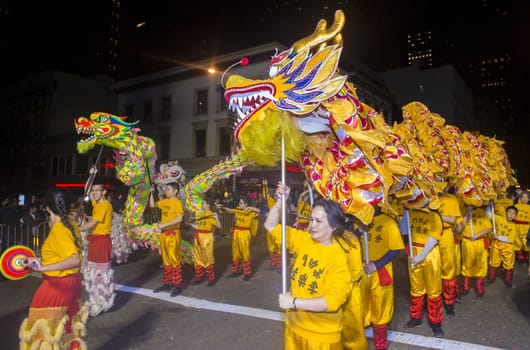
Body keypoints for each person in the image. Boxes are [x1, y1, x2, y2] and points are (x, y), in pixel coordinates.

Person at [264, 184, 352, 349]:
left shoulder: (337, 257)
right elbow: (270, 226)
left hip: (321, 337)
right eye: (311, 219)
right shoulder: (305, 240)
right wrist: (280, 202)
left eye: (319, 221)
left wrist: (294, 302)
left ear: (334, 227)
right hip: (294, 328)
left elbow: (332, 301)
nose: (312, 226)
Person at [19, 189, 87, 349]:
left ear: (47, 208)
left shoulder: (59, 229)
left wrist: (44, 267)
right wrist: (33, 261)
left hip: (57, 285)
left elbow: (74, 259)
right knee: (66, 328)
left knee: (42, 330)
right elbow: (60, 256)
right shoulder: (70, 224)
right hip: (72, 282)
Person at [360, 207, 404, 350]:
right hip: (360, 270)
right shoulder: (357, 221)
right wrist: (358, 229)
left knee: (380, 307)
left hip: (380, 270)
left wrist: (376, 265)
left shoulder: (388, 222)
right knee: (360, 305)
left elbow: (396, 249)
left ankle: (380, 345)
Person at [402, 208, 445, 338]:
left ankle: (436, 323)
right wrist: (405, 213)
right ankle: (416, 317)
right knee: (416, 288)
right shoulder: (412, 212)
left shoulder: (434, 215)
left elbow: (433, 239)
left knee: (433, 290)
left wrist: (420, 257)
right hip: (414, 251)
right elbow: (403, 230)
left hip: (429, 254)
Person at [79, 176, 116, 317]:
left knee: (101, 273)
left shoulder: (105, 205)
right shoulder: (97, 203)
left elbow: (92, 224)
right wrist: (91, 175)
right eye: (93, 190)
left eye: (97, 190)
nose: (93, 192)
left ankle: (101, 302)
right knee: (92, 272)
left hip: (102, 241)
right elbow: (86, 190)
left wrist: (76, 229)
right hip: (95, 241)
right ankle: (94, 299)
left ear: (104, 192)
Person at [149, 182, 185, 297]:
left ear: (175, 191)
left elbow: (180, 218)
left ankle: (177, 285)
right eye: (166, 189)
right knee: (166, 260)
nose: (166, 191)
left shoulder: (177, 203)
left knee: (175, 260)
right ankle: (166, 283)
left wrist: (165, 225)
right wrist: (151, 193)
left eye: (168, 189)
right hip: (164, 234)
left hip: (173, 234)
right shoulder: (165, 201)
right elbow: (152, 205)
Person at [217, 196, 260, 281]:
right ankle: (235, 271)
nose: (239, 204)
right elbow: (230, 210)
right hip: (236, 232)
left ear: (246, 204)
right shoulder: (238, 210)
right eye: (239, 203)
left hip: (245, 233)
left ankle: (247, 273)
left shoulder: (251, 212)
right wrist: (222, 207)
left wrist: (249, 208)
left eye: (241, 203)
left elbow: (259, 210)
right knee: (235, 252)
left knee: (245, 252)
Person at [437, 188, 463, 316]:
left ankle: (449, 301)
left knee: (448, 269)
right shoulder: (425, 196)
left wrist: (435, 214)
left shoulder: (451, 200)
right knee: (432, 269)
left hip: (446, 234)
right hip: (428, 234)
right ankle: (433, 299)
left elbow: (454, 220)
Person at [460, 205, 492, 299]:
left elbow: (489, 228)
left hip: (480, 242)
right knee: (467, 265)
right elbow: (460, 227)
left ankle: (480, 290)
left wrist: (477, 235)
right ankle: (466, 288)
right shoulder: (463, 210)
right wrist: (466, 213)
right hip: (467, 243)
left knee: (481, 266)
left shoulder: (482, 212)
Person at [189, 201, 221, 286]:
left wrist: (216, 218)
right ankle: (198, 278)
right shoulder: (201, 215)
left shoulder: (211, 215)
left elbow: (219, 226)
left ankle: (211, 279)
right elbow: (199, 227)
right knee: (198, 258)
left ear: (208, 204)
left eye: (203, 203)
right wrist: (191, 224)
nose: (202, 205)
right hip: (198, 236)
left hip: (207, 237)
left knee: (208, 258)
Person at [487, 205, 520, 287]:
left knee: (509, 265)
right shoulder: (499, 219)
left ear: (515, 216)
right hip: (496, 245)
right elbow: (489, 214)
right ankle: (491, 279)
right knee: (493, 263)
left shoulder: (514, 226)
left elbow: (509, 239)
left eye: (513, 214)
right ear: (506, 213)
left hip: (508, 248)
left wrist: (497, 236)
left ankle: (508, 282)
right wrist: (488, 202)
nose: (511, 215)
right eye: (509, 212)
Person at [513, 191, 530, 264]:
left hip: (526, 228)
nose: (524, 199)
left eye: (526, 198)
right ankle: (520, 257)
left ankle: (527, 257)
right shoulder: (516, 206)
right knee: (517, 242)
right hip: (517, 227)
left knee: (525, 243)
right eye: (522, 197)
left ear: (529, 199)